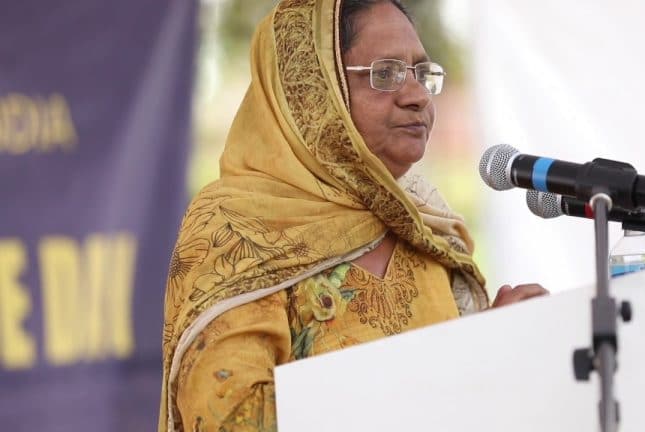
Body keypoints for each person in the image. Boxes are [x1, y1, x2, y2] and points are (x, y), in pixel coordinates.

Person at [158, 0, 547, 430]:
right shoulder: (237, 227)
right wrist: (452, 368)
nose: (417, 96)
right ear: (311, 91)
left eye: (421, 73)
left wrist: (494, 341)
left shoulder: (427, 224)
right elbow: (229, 419)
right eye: (386, 74)